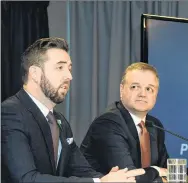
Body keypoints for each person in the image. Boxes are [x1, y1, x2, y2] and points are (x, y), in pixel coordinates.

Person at [1, 37, 145, 183]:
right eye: (60, 67)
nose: (69, 76)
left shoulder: (60, 122)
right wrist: (100, 182)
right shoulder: (9, 113)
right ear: (35, 73)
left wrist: (110, 179)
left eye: (69, 69)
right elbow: (26, 179)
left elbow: (82, 170)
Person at [80, 62, 169, 182]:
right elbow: (129, 178)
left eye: (149, 89)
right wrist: (156, 171)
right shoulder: (107, 124)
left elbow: (169, 173)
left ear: (156, 94)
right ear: (122, 89)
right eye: (135, 87)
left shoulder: (154, 125)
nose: (142, 94)